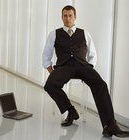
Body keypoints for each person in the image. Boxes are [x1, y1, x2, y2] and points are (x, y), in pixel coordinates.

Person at [42, 5, 129, 138]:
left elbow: (93, 54)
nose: (67, 18)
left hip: (83, 66)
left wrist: (90, 70)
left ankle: (109, 125)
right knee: (50, 85)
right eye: (65, 16)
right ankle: (70, 110)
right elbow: (46, 56)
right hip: (63, 67)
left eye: (70, 15)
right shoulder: (54, 34)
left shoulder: (85, 33)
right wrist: (52, 72)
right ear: (61, 17)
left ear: (75, 17)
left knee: (101, 84)